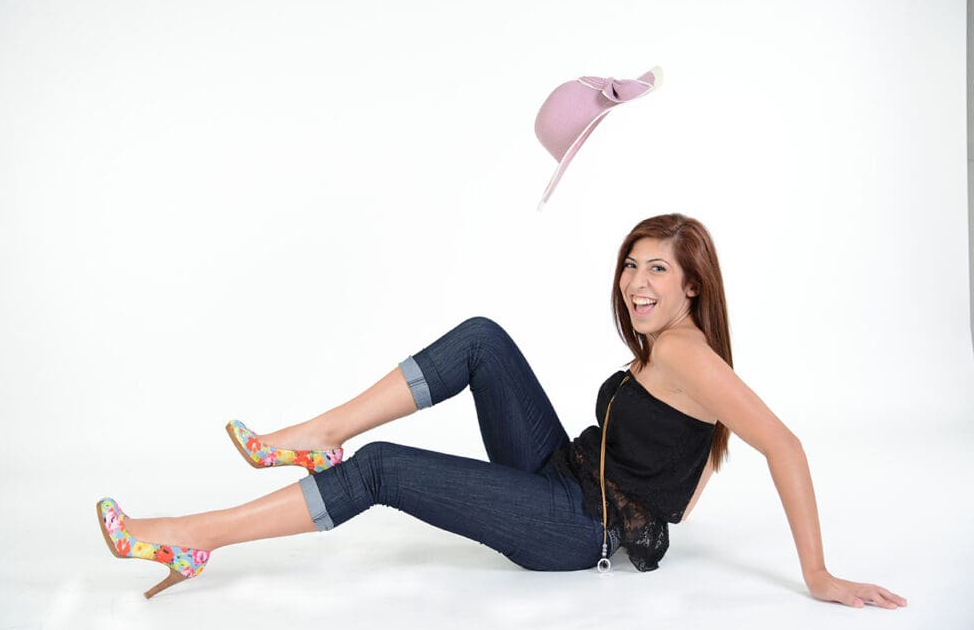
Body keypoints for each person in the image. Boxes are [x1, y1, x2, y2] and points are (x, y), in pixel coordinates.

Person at [95, 213, 906, 609]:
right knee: (483, 339)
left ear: (693, 284)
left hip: (571, 525)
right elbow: (683, 467)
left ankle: (195, 537)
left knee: (379, 471)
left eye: (657, 268)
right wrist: (661, 497)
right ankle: (321, 434)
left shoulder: (690, 353)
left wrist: (820, 577)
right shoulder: (669, 351)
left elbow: (787, 446)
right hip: (563, 475)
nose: (637, 282)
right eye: (630, 264)